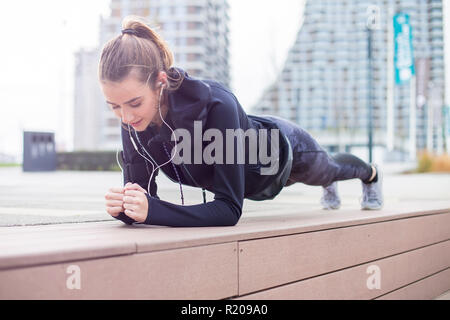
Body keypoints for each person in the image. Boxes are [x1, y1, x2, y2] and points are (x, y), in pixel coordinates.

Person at [100, 16, 383, 227]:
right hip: (245, 167)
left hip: (282, 153)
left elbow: (228, 210)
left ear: (160, 82)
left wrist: (155, 210)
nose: (125, 117)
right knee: (325, 173)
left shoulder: (217, 105)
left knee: (328, 169)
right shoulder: (132, 119)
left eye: (134, 103)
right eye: (114, 106)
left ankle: (371, 174)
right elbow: (143, 200)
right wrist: (124, 209)